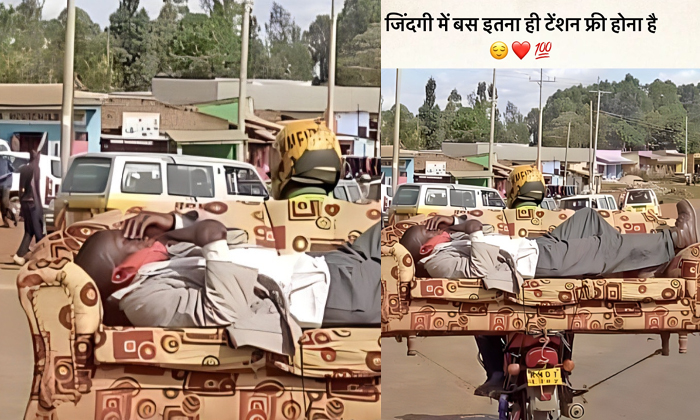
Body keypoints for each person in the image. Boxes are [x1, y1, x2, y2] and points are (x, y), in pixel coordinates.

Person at [401, 197, 700, 397]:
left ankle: (640, 266)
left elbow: (487, 234)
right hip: (535, 264)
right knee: (602, 248)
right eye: (432, 233)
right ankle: (674, 239)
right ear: (426, 249)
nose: (439, 232)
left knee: (587, 218)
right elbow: (477, 267)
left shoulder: (443, 247)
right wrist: (470, 229)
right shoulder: (437, 261)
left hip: (532, 248)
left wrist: (454, 223)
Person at [73, 210, 381, 356]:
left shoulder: (162, 263)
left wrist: (174, 227)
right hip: (328, 293)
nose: (142, 237)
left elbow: (231, 237)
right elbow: (223, 311)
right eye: (131, 242)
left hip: (324, 264)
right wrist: (207, 240)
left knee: (387, 229)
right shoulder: (145, 300)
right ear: (121, 275)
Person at [12, 150, 44, 266]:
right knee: (38, 232)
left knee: (29, 231)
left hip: (25, 202)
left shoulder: (25, 168)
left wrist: (21, 205)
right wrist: (39, 206)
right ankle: (42, 257)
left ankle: (19, 255)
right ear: (37, 157)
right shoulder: (36, 169)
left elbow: (21, 189)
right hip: (32, 203)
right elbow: (36, 189)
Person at [0, 155, 16, 228]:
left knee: (4, 203)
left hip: (5, 185)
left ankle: (13, 217)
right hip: (1, 184)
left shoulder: (6, 160)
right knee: (2, 205)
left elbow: (13, 170)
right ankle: (5, 222)